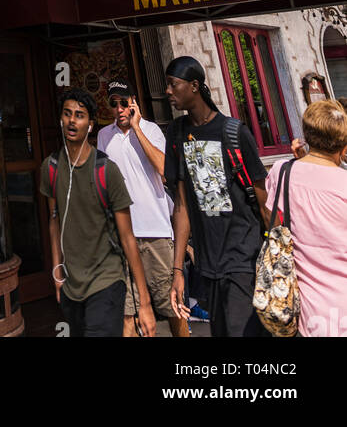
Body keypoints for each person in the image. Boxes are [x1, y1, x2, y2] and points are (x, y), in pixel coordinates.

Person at [164, 56, 270, 338]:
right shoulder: (176, 133)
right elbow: (182, 206)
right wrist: (177, 270)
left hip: (243, 258)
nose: (168, 92)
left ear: (195, 86)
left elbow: (263, 202)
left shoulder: (234, 132)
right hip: (207, 264)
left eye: (174, 85)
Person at [41, 87, 156, 338]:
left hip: (107, 280)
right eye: (67, 114)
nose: (72, 120)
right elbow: (54, 221)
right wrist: (57, 271)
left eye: (80, 115)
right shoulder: (50, 167)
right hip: (72, 285)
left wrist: (144, 304)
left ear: (90, 125)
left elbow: (127, 237)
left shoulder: (107, 170)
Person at [97, 79, 189, 338]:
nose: (119, 109)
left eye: (124, 103)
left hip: (155, 232)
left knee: (171, 306)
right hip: (121, 234)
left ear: (134, 102)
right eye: (114, 104)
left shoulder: (152, 130)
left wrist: (137, 128)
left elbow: (164, 170)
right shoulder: (104, 136)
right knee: (127, 311)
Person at [266, 99, 347, 337]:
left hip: (310, 317)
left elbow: (276, 220)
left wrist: (301, 161)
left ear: (307, 135)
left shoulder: (281, 172)